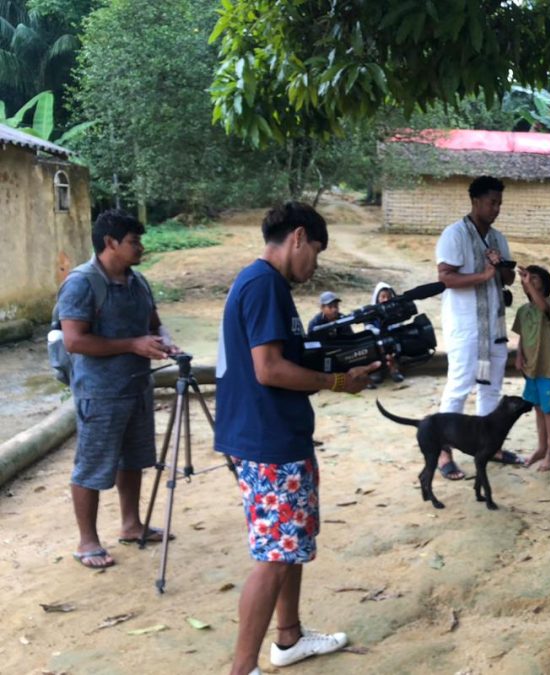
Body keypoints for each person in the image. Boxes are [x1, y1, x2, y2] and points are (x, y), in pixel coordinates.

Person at [215, 203, 381, 675]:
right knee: (274, 557)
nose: (315, 266)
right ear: (299, 237)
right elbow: (268, 369)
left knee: (289, 546)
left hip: (271, 433)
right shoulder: (265, 284)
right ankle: (242, 669)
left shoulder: (259, 282)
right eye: (317, 254)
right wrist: (336, 384)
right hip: (268, 439)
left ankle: (288, 638)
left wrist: (335, 365)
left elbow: (285, 357)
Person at [57, 209, 180, 570]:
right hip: (100, 393)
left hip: (138, 387)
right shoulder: (81, 283)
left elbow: (154, 325)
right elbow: (75, 341)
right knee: (92, 466)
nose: (140, 247)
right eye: (133, 241)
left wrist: (165, 343)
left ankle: (131, 524)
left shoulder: (137, 281)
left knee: (135, 459)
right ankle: (87, 541)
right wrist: (132, 345)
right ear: (110, 243)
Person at [435, 176, 521, 479]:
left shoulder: (498, 238)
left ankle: (488, 446)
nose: (496, 208)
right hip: (465, 327)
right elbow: (445, 277)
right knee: (459, 387)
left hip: (494, 326)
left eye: (499, 203)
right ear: (475, 202)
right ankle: (443, 451)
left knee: (491, 387)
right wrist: (483, 276)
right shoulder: (454, 235)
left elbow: (508, 278)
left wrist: (501, 270)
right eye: (491, 202)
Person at [513, 265, 550, 471]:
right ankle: (542, 448)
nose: (529, 281)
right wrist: (518, 356)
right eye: (527, 279)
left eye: (534, 279)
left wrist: (529, 285)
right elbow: (522, 336)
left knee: (549, 409)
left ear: (545, 284)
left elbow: (543, 307)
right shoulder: (523, 310)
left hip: (549, 367)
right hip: (530, 368)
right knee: (537, 408)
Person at [366, 282, 405, 384]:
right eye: (383, 296)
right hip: (376, 341)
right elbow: (368, 327)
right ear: (377, 298)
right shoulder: (371, 312)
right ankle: (377, 371)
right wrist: (379, 333)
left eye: (388, 297)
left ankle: (394, 369)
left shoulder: (395, 311)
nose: (386, 299)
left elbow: (398, 324)